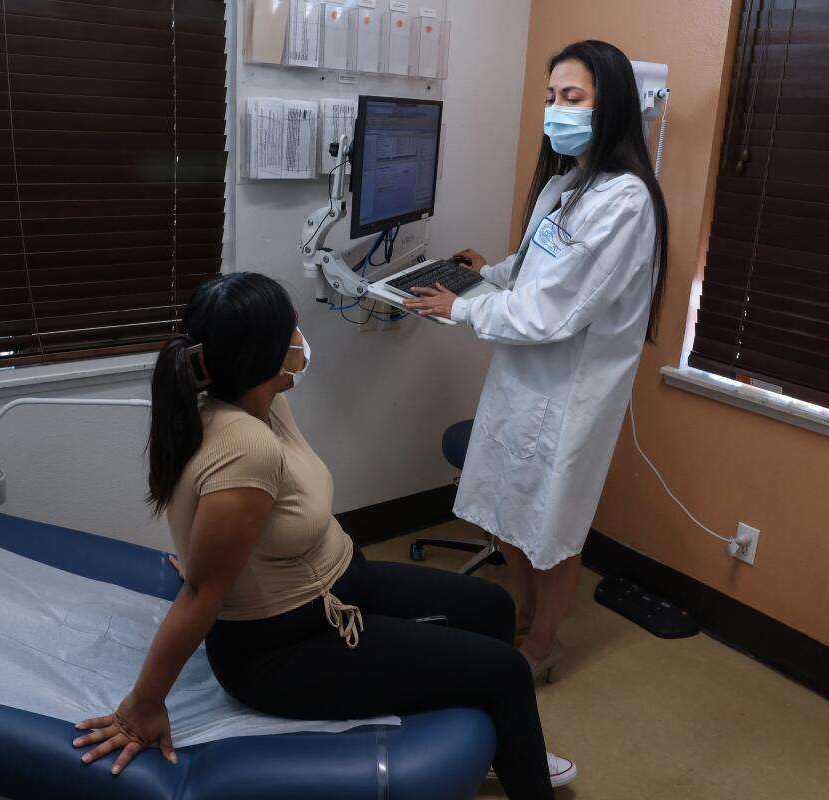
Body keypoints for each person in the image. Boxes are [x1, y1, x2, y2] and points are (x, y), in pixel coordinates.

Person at [70, 272, 576, 797]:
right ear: (264, 354)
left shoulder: (262, 403)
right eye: (292, 328)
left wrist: (211, 557)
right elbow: (201, 591)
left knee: (492, 608)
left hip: (338, 580)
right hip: (284, 646)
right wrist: (143, 706)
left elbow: (226, 525)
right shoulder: (245, 446)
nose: (300, 339)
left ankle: (496, 743)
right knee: (507, 673)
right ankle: (517, 753)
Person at [404, 40, 670, 679]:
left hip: (569, 392)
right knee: (509, 508)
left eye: (572, 98)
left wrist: (461, 308)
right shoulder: (568, 182)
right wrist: (485, 273)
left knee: (552, 523)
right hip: (523, 380)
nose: (556, 110)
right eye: (551, 98)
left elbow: (552, 313)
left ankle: (542, 645)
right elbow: (535, 273)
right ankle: (522, 617)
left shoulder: (627, 201)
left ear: (613, 109)